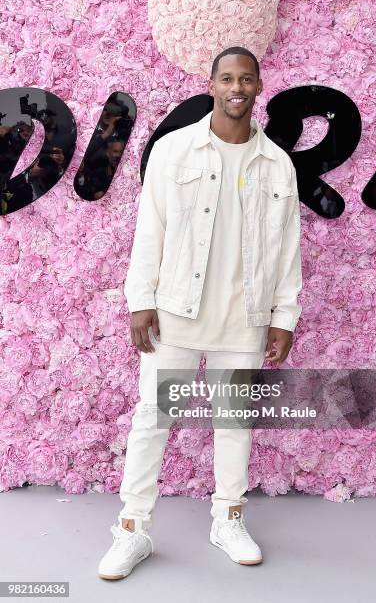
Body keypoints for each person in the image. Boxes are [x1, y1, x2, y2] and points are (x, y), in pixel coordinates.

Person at [98, 46, 302, 580]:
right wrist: (140, 301)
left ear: (259, 86)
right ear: (211, 84)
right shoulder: (173, 151)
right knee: (154, 418)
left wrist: (284, 315)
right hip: (177, 315)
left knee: (234, 421)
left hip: (245, 318)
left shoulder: (277, 163)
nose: (237, 87)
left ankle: (227, 520)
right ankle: (132, 530)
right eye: (227, 78)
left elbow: (287, 248)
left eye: (247, 79)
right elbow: (151, 231)